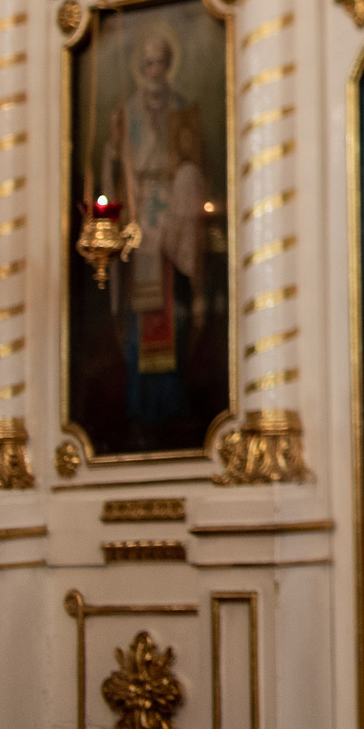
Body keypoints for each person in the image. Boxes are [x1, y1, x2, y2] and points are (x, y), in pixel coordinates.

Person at [99, 24, 213, 435]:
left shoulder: (183, 109)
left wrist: (185, 186)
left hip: (174, 219)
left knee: (174, 310)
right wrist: (113, 152)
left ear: (168, 66)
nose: (154, 70)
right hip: (139, 218)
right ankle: (141, 404)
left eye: (160, 62)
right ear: (141, 68)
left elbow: (195, 161)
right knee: (139, 315)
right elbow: (114, 164)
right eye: (147, 63)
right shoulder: (127, 112)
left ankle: (172, 402)